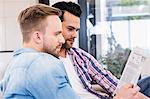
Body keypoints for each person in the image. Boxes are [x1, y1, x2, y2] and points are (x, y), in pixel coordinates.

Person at [52, 1, 147, 99]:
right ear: (55, 25)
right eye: (70, 29)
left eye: (77, 30)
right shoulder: (45, 63)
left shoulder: (79, 56)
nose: (75, 35)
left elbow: (112, 84)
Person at [0, 4, 80, 99]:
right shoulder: (43, 63)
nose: (62, 40)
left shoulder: (13, 64)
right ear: (38, 37)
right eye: (57, 34)